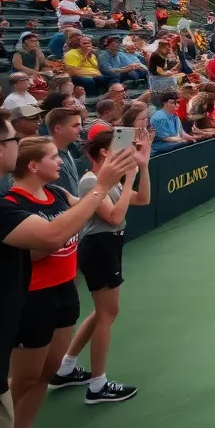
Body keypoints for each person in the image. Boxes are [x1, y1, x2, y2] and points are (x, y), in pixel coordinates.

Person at [6, 137, 115, 428]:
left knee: (46, 373)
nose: (60, 162)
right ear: (33, 166)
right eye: (53, 157)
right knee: (21, 381)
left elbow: (80, 218)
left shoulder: (56, 194)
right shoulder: (13, 203)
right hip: (32, 298)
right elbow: (33, 252)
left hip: (64, 291)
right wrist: (56, 233)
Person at [50, 126, 150, 404]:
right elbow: (115, 217)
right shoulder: (91, 181)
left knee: (102, 313)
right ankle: (98, 385)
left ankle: (65, 368)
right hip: (100, 247)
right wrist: (129, 177)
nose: (130, 152)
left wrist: (144, 167)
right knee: (108, 314)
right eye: (125, 149)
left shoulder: (110, 180)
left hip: (110, 246)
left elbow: (144, 199)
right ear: (105, 152)